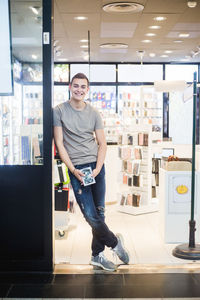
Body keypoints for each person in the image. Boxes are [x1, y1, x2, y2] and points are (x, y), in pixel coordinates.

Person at [53, 72, 129, 271]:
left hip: (96, 167)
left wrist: (97, 169)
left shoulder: (94, 113)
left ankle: (97, 256)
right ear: (70, 87)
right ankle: (115, 243)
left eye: (83, 86)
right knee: (90, 215)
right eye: (75, 85)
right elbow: (60, 144)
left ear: (87, 90)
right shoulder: (59, 111)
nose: (79, 89)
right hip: (77, 168)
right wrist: (73, 170)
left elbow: (102, 143)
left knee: (100, 212)